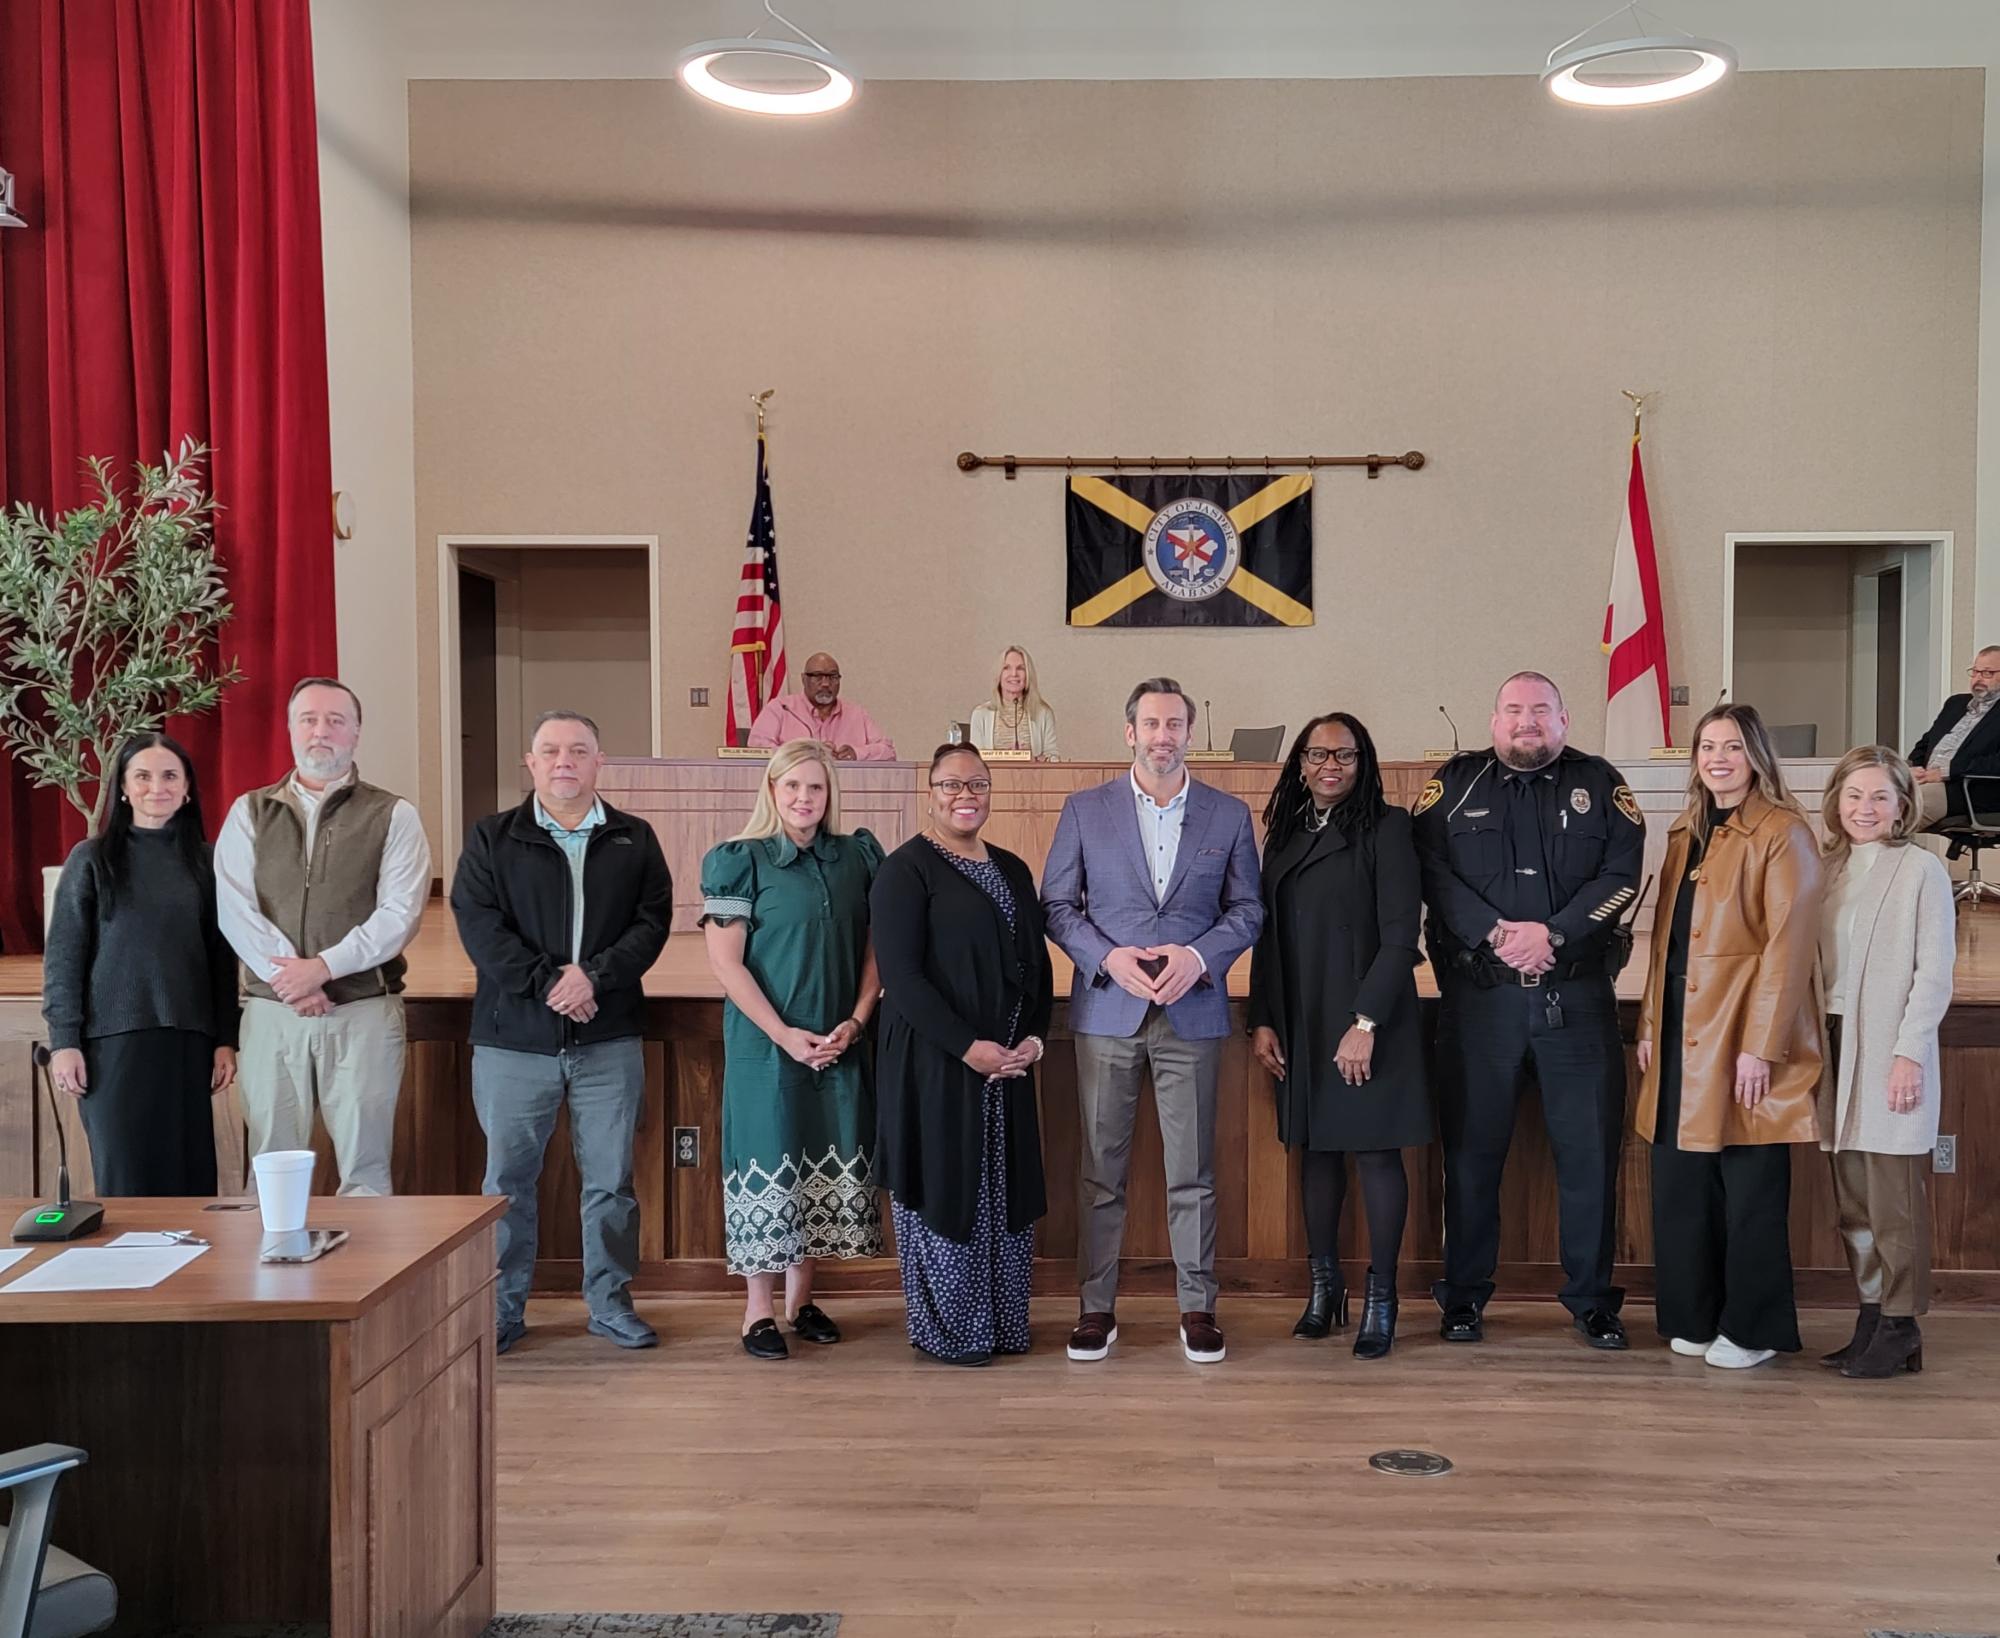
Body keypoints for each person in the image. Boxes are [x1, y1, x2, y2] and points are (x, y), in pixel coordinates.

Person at [1413, 670, 1643, 1350]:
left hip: (1575, 1000)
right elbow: (1431, 872)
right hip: (1480, 1002)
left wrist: (1556, 934)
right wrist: (1495, 933)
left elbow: (1621, 875)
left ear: (1564, 720)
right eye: (1514, 710)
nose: (1526, 722)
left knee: (1589, 1159)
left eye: (1540, 711)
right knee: (1472, 1160)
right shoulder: (1452, 788)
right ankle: (1462, 1299)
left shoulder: (1602, 785)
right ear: (1494, 720)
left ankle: (1593, 1301)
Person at [1042, 677, 1263, 1365]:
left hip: (1191, 1012)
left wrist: (1200, 956)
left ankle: (1198, 1307)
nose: (1162, 736)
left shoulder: (1227, 815)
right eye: (1151, 724)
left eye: (1174, 724)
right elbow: (1057, 906)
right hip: (1109, 1009)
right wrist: (1107, 957)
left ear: (1188, 734)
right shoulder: (1085, 809)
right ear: (1128, 732)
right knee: (1101, 1170)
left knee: (1192, 1171)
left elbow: (1248, 910)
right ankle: (1095, 1308)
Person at [451, 710, 671, 1354]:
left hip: (608, 1038)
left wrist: (594, 979)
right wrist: (553, 984)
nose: (563, 760)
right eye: (550, 750)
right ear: (531, 763)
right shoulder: (493, 837)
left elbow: (651, 924)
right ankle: (501, 1309)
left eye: (578, 750)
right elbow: (479, 928)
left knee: (611, 1182)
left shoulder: (635, 837)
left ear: (600, 761)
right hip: (513, 1040)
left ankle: (609, 1304)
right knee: (507, 1183)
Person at [1635, 703, 1823, 1370]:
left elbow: (1788, 949)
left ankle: (1752, 1327)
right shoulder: (1686, 833)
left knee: (1749, 1189)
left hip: (1744, 1031)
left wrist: (1761, 1045)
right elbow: (1664, 946)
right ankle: (1693, 1313)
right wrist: (1651, 1023)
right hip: (1684, 1031)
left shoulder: (1783, 832)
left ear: (1757, 757)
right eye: (1707, 746)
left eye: (1733, 747)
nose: (1718, 758)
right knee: (1684, 1182)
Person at [1248, 713, 1429, 1360]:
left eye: (1346, 756)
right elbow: (1266, 937)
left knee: (1376, 1155)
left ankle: (1383, 1298)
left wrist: (1366, 1023)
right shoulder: (1286, 833)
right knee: (1316, 1154)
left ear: (1364, 762)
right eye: (1318, 754)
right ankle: (1325, 1288)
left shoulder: (1388, 828)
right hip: (1300, 1016)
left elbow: (1401, 936)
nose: (1332, 766)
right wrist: (1262, 1016)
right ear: (1299, 762)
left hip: (1364, 1020)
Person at [700, 739, 886, 1360]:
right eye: (792, 787)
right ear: (772, 791)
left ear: (830, 794)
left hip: (839, 1041)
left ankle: (801, 1301)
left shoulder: (856, 857)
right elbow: (726, 965)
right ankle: (757, 1311)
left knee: (819, 1156)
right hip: (766, 1045)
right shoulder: (741, 860)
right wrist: (784, 1035)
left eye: (816, 787)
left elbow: (873, 951)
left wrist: (856, 1022)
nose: (804, 798)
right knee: (770, 1158)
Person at [871, 745, 1053, 1365]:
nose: (964, 794)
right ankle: (953, 1329)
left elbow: (1037, 966)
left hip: (1007, 1065)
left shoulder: (1011, 868)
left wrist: (1032, 1039)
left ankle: (1003, 1324)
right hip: (936, 1062)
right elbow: (903, 978)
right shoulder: (906, 871)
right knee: (947, 1187)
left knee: (1006, 1194)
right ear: (930, 791)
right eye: (950, 784)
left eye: (976, 783)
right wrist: (967, 1047)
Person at [216, 677, 429, 1197]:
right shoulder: (250, 811)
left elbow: (399, 913)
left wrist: (324, 968)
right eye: (309, 719)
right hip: (273, 1013)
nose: (321, 731)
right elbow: (234, 907)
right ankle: (272, 1275)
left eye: (336, 720)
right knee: (272, 1163)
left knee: (366, 1168)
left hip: (361, 1010)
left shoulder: (393, 815)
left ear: (356, 733)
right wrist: (291, 978)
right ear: (290, 730)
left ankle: (368, 1280)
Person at [42, 733, 238, 1195]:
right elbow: (64, 957)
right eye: (143, 776)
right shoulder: (90, 860)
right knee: (128, 1183)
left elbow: (220, 958)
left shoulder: (208, 863)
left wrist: (226, 1039)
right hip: (112, 1046)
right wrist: (64, 1042)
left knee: (191, 1182)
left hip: (189, 1043)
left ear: (188, 787)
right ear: (124, 788)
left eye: (170, 775)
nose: (157, 787)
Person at [1815, 746, 1954, 1379]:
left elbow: (1934, 973)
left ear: (1903, 804)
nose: (1864, 808)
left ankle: (1901, 1323)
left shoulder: (1919, 871)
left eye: (1879, 796)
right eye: (1853, 795)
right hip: (1837, 1042)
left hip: (1889, 1045)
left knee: (1892, 1199)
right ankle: (1871, 1314)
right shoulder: (1829, 867)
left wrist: (1909, 1054)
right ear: (1835, 801)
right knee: (1853, 1200)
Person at [1907, 646, 2000, 829]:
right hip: (1926, 781)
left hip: (1968, 788)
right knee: (1865, 798)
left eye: (1987, 673)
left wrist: (1946, 772)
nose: (1977, 679)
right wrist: (1913, 768)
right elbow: (1925, 744)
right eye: (1974, 671)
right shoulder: (1955, 704)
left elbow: (1996, 763)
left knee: (1890, 811)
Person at [746, 651, 896, 761]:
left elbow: (888, 752)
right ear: (804, 679)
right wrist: (806, 754)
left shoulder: (856, 714)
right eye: (817, 676)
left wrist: (857, 753)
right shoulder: (781, 709)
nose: (825, 683)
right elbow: (757, 749)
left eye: (832, 677)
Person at [969, 645, 1060, 760]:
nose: (1014, 674)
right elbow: (974, 760)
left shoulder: (1043, 712)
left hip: (1033, 777)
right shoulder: (981, 713)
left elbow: (1054, 758)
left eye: (1020, 668)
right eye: (1006, 668)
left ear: (1028, 675)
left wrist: (1034, 760)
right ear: (999, 675)